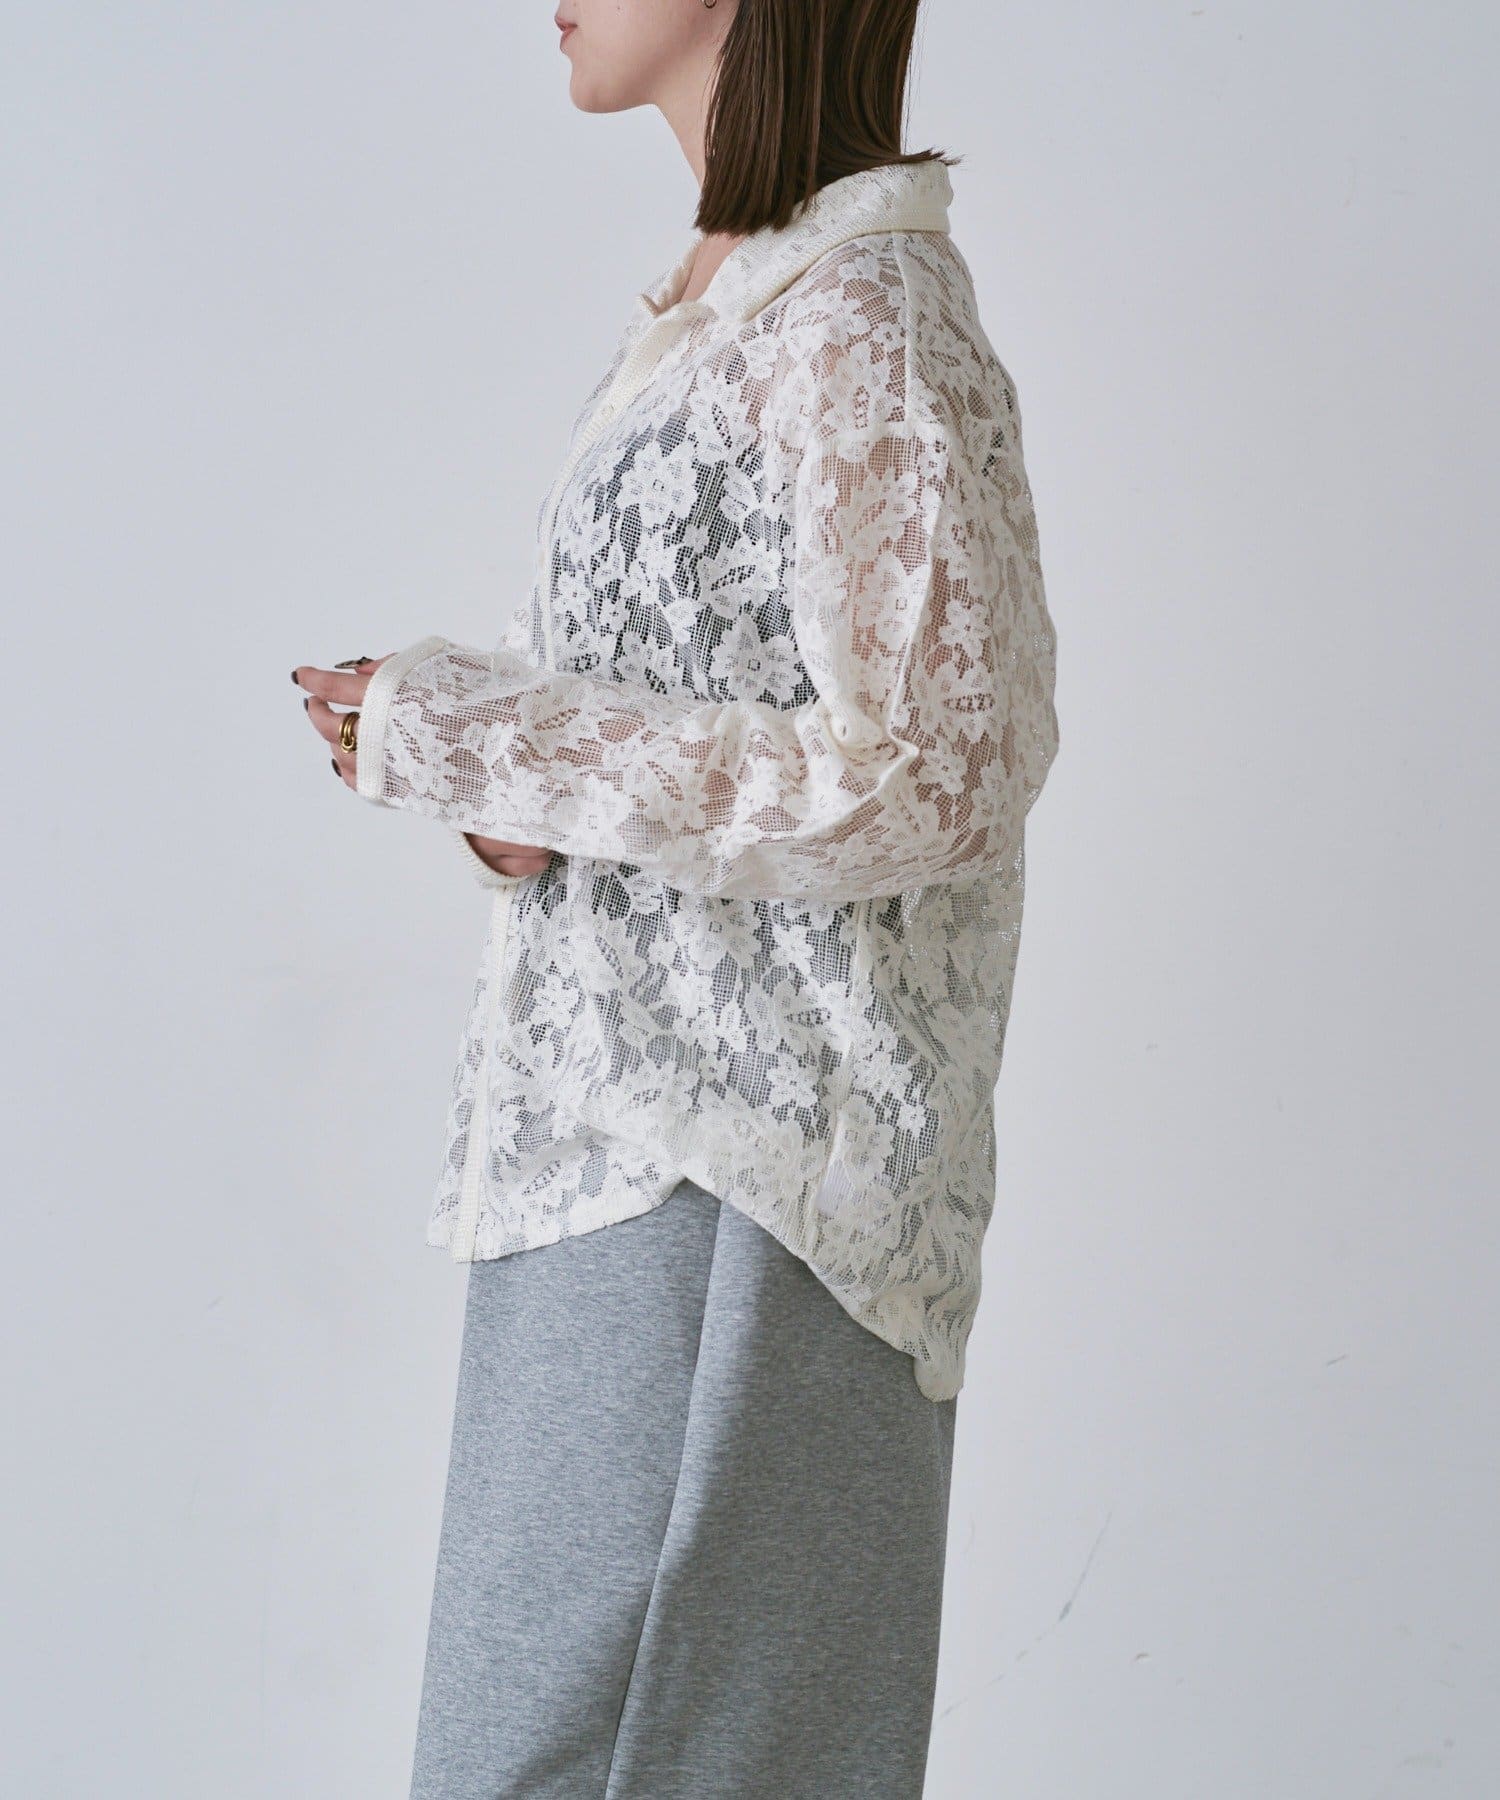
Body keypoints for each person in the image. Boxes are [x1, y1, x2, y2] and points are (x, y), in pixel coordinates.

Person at [290, 1, 1060, 1793]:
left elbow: (937, 766)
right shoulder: (746, 301)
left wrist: (513, 742)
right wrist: (513, 792)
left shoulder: (866, 316)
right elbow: (739, 734)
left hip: (739, 1180)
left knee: (639, 1755)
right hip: (620, 1158)